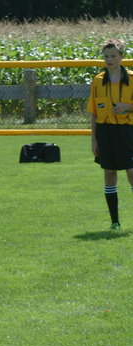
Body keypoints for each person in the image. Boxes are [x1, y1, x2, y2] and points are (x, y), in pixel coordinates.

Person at [87, 38, 133, 230]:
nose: (109, 59)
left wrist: (128, 107)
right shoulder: (98, 81)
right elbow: (93, 113)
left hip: (127, 132)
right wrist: (94, 140)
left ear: (121, 56)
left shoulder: (132, 78)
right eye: (106, 56)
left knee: (131, 172)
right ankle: (115, 222)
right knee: (109, 173)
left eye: (113, 56)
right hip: (105, 132)